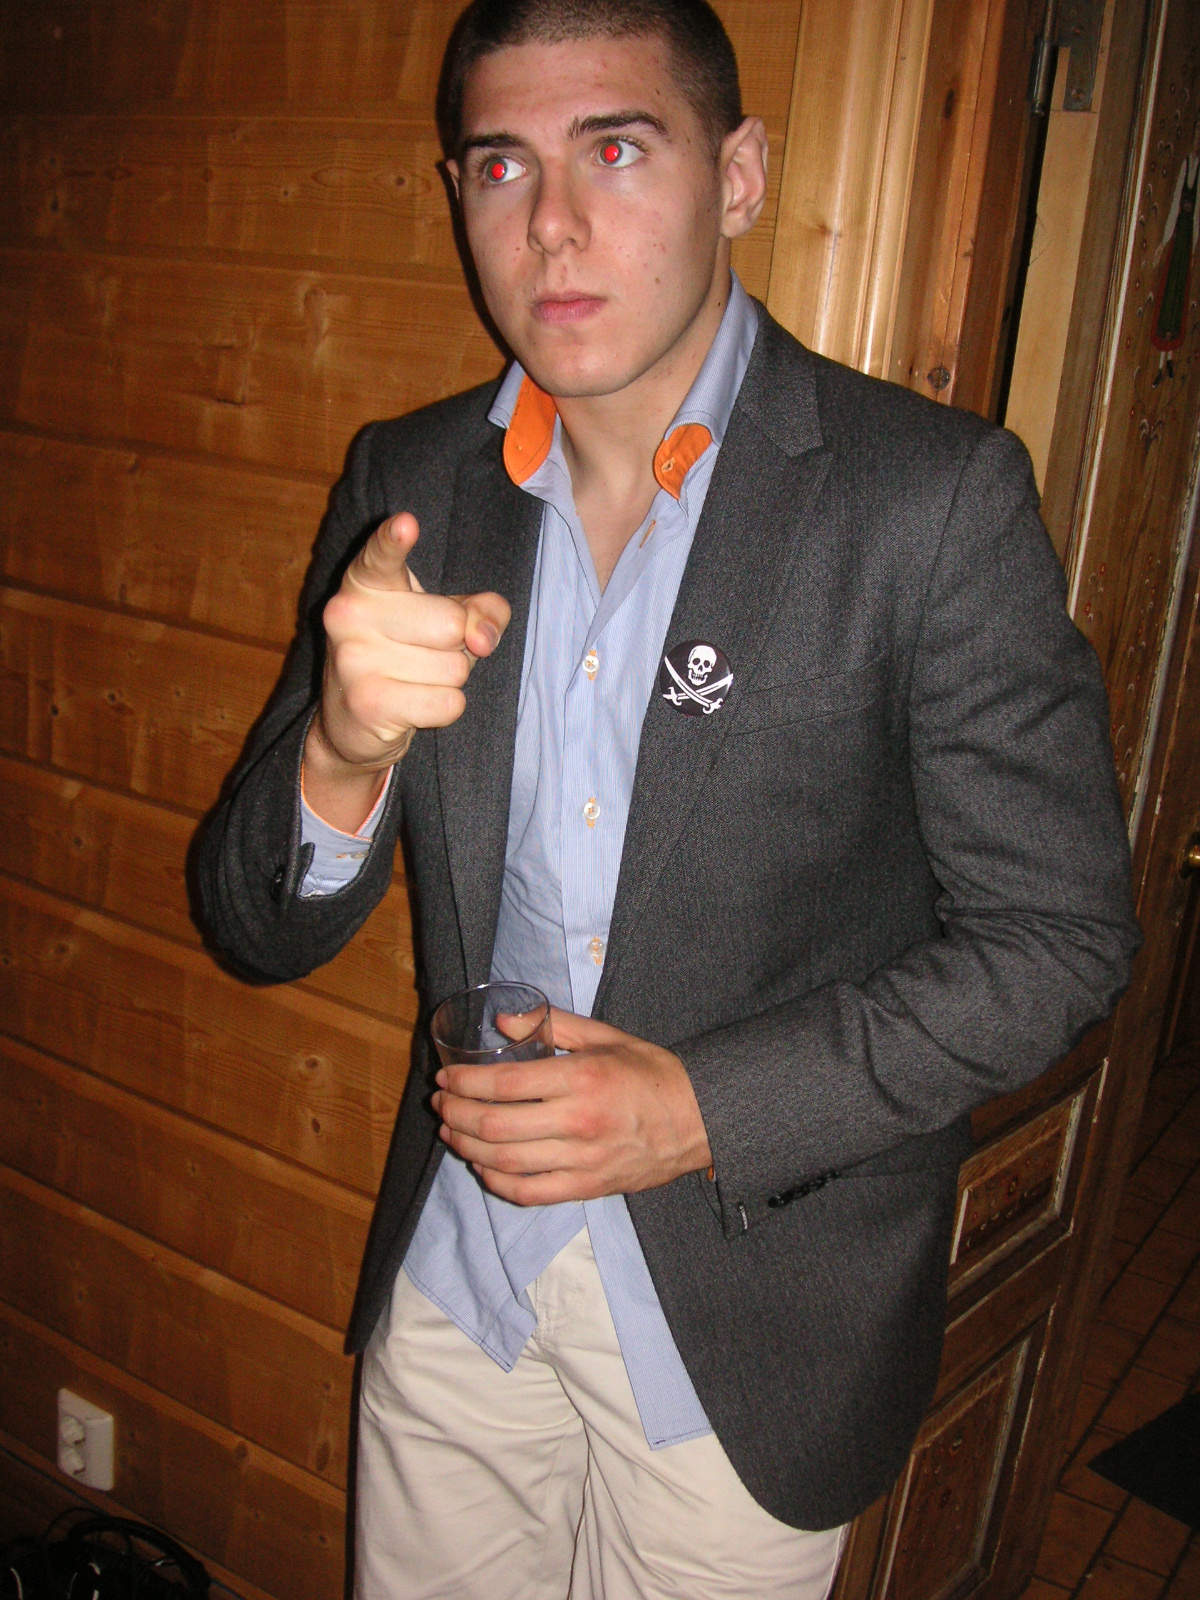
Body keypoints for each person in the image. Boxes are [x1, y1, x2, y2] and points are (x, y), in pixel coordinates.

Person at [196, 1, 1141, 1595]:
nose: (552, 225)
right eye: (502, 167)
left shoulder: (929, 501)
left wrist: (699, 1109)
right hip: (463, 1288)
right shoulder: (410, 486)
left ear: (741, 175)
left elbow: (1061, 943)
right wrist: (343, 753)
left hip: (753, 1335)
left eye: (617, 150)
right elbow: (253, 928)